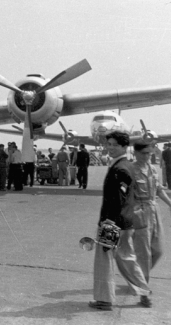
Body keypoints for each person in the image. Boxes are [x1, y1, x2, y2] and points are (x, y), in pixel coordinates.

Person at [90, 131, 151, 311]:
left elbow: (118, 199)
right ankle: (144, 292)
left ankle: (104, 300)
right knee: (128, 258)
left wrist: (108, 224)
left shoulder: (120, 169)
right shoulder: (127, 165)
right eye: (108, 144)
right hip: (125, 222)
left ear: (125, 147)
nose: (110, 147)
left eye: (114, 145)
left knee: (104, 259)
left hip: (113, 223)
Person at [130, 140, 171, 303]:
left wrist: (170, 203)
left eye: (149, 153)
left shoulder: (152, 168)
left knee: (159, 250)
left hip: (154, 210)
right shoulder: (130, 170)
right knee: (144, 255)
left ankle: (136, 276)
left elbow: (159, 189)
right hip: (139, 212)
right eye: (143, 153)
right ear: (136, 153)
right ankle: (143, 294)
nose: (147, 156)